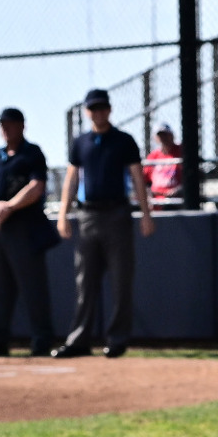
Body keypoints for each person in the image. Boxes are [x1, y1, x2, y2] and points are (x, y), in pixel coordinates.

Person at [54, 90, 154, 359]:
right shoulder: (81, 143)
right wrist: (63, 214)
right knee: (85, 281)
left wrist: (145, 214)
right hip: (88, 216)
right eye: (93, 109)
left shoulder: (123, 141)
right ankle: (79, 340)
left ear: (109, 110)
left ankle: (117, 339)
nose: (98, 113)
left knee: (121, 280)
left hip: (118, 213)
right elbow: (72, 178)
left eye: (102, 108)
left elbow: (136, 177)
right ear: (87, 112)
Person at [0, 108, 56, 357]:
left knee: (33, 286)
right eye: (2, 125)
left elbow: (36, 186)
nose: (6, 129)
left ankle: (42, 339)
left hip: (26, 227)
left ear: (22, 126)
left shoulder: (32, 153)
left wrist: (9, 207)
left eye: (10, 124)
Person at [145, 123, 183, 202]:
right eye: (160, 135)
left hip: (175, 197)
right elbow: (146, 181)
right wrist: (149, 194)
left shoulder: (180, 151)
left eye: (165, 135)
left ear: (172, 135)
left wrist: (177, 190)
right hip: (156, 198)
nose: (163, 138)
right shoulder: (153, 156)